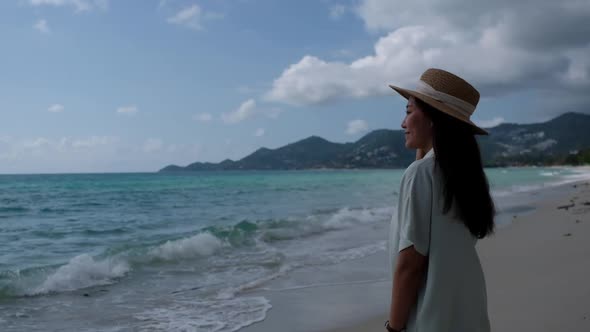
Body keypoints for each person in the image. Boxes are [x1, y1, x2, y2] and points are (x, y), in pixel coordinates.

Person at [385, 68, 496, 332]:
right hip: (468, 312)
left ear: (434, 118)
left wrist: (394, 328)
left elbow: (410, 265)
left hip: (429, 319)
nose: (403, 123)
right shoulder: (465, 176)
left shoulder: (422, 174)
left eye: (409, 111)